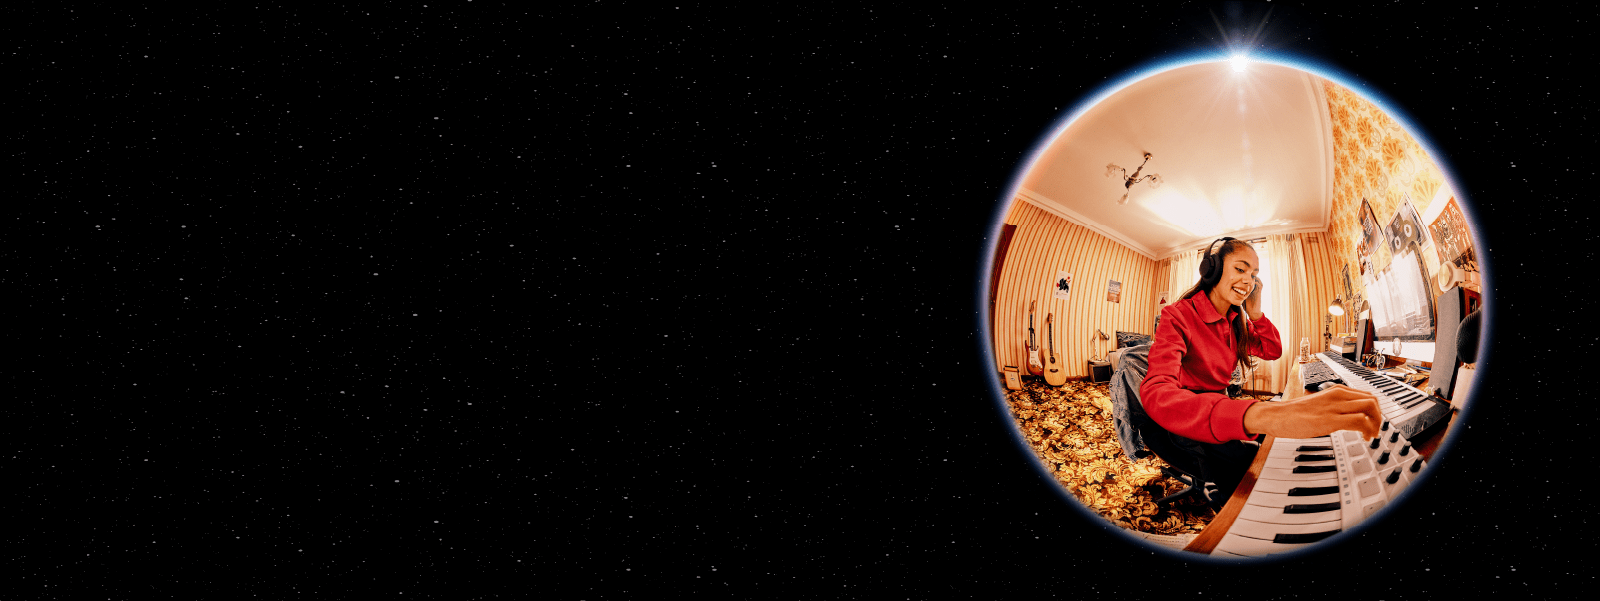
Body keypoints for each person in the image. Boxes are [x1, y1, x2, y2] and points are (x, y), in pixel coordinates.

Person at [1134, 237, 1383, 509]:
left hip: (1220, 406)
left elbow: (1272, 349)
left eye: (1254, 275)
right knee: (1252, 470)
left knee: (1275, 443)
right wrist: (1258, 414)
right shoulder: (1178, 315)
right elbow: (1157, 393)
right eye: (1241, 269)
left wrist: (1255, 312)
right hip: (1182, 418)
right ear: (1212, 269)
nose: (1248, 281)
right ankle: (1215, 488)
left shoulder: (1235, 320)